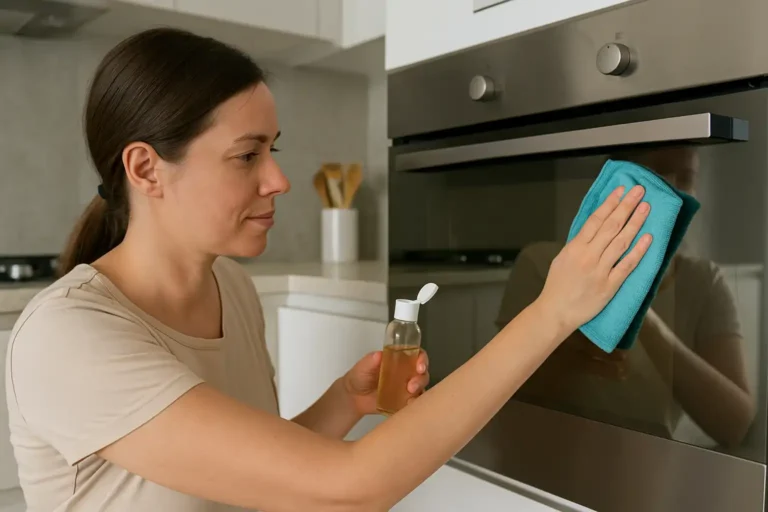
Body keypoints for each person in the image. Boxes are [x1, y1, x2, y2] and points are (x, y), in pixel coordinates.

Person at [5, 28, 652, 512]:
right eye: (246, 155)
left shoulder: (229, 287)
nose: (279, 179)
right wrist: (553, 311)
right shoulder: (72, 337)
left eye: (274, 150)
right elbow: (348, 488)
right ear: (146, 169)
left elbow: (246, 476)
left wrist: (344, 402)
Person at [495, 147, 754, 449]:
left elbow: (735, 424)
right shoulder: (541, 264)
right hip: (543, 456)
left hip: (649, 469)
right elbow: (503, 399)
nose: (673, 189)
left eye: (685, 177)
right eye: (656, 174)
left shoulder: (704, 282)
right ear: (617, 182)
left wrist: (641, 311)